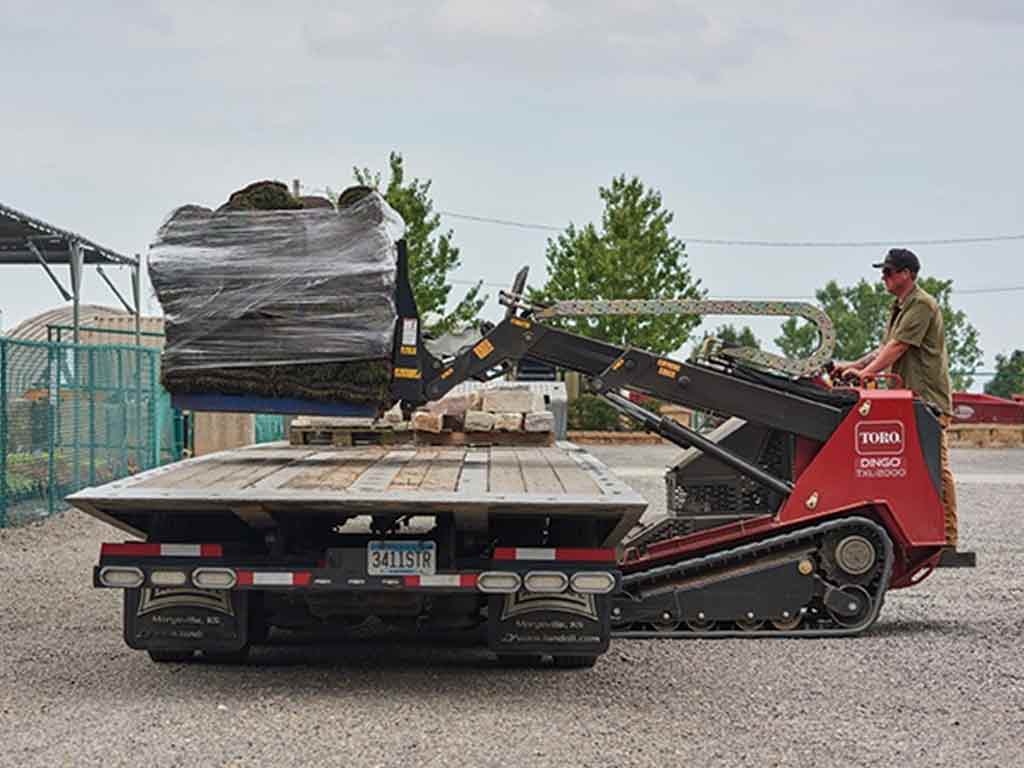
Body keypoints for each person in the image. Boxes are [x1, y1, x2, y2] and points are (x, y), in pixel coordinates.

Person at [836, 248, 958, 547]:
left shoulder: (922, 305)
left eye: (889, 272)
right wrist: (850, 367)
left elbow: (898, 348)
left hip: (927, 399)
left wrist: (866, 375)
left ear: (907, 274)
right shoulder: (900, 306)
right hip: (908, 399)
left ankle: (948, 538)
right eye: (883, 272)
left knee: (935, 468)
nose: (883, 277)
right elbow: (884, 349)